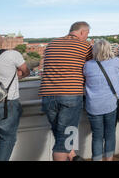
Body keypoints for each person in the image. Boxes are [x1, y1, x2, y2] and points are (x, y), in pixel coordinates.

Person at [39, 21, 93, 161]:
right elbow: (92, 68)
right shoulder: (85, 46)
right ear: (82, 32)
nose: (87, 37)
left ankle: (72, 156)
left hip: (47, 96)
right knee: (63, 141)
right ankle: (67, 154)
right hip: (70, 95)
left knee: (60, 133)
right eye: (87, 34)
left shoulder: (51, 44)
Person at [83, 39, 119, 161]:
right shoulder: (116, 61)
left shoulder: (88, 65)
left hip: (93, 106)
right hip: (110, 104)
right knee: (110, 134)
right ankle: (109, 159)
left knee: (97, 136)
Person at [0, 48, 30, 160]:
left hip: (6, 104)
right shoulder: (11, 54)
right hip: (7, 103)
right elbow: (26, 71)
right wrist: (17, 75)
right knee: (7, 138)